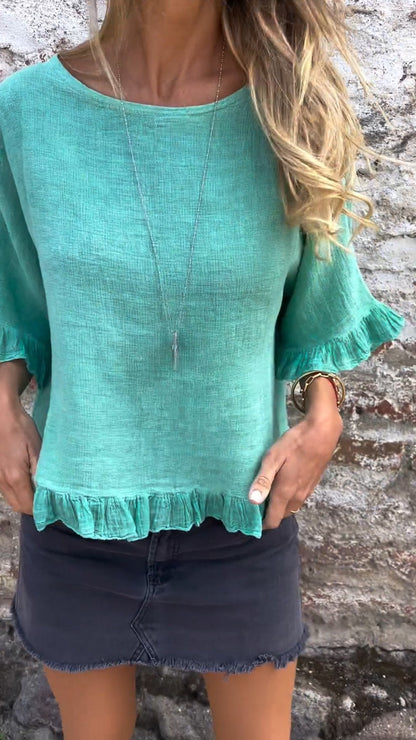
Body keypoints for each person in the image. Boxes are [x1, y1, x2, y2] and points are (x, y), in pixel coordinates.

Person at [0, 1, 406, 739]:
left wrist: (324, 415)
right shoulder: (26, 113)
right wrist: (1, 405)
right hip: (77, 510)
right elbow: (13, 296)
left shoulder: (295, 114)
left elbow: (320, 304)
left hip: (240, 515)